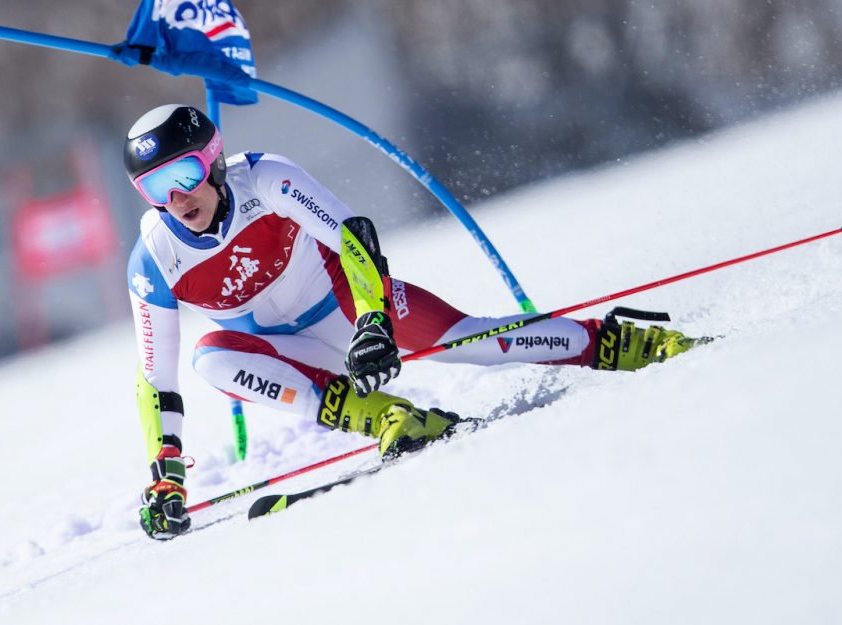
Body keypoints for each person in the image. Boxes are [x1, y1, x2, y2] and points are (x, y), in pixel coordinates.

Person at [124, 104, 701, 539]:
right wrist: (165, 474)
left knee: (474, 344)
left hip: (349, 307)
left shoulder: (266, 179)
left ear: (215, 160)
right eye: (154, 187)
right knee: (210, 357)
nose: (175, 198)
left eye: (185, 174)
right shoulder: (154, 258)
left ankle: (614, 341)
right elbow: (157, 380)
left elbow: (353, 237)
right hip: (294, 356)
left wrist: (373, 322)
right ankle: (392, 419)